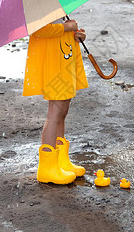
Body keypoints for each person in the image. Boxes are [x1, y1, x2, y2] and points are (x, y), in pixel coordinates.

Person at [23, 18, 88, 184]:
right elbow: (38, 29)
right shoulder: (39, 6)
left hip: (65, 64)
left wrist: (76, 34)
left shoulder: (57, 5)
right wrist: (65, 27)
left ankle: (61, 161)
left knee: (63, 111)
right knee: (55, 113)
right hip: (54, 67)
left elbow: (62, 31)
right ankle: (47, 168)